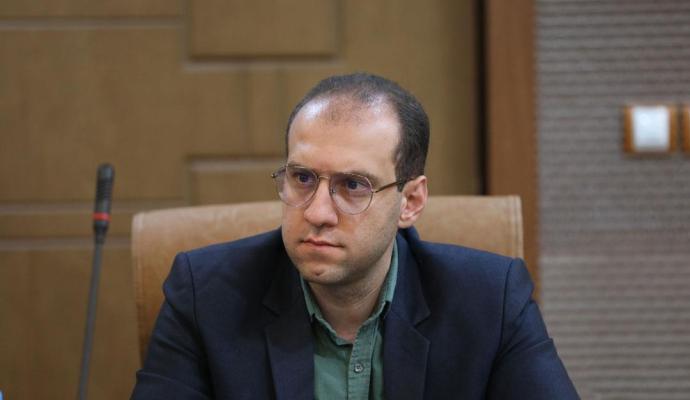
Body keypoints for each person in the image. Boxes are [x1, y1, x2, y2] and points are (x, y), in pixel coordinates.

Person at [131, 73, 578, 399]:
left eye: (353, 186)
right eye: (302, 178)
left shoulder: (490, 301)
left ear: (410, 201)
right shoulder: (205, 294)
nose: (317, 212)